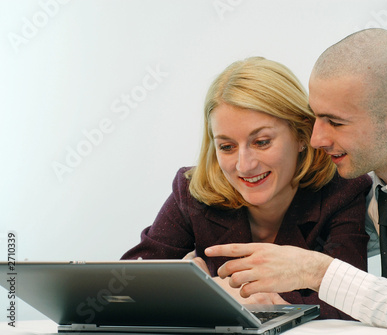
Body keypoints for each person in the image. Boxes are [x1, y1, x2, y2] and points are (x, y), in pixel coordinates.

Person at [204, 29, 387, 334]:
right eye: (316, 117)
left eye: (335, 122)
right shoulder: (373, 194)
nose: (316, 138)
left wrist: (317, 271)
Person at [121, 56, 372, 320]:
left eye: (262, 142)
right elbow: (122, 289)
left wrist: (223, 293)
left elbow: (352, 303)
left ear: (301, 135)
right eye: (227, 147)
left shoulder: (344, 190)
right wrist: (193, 290)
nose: (244, 165)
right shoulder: (192, 190)